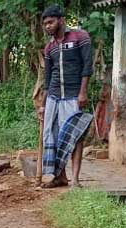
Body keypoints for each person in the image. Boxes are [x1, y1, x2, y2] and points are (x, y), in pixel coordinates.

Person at [38, 4, 94, 188]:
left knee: (74, 137)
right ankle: (60, 177)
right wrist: (43, 104)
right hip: (54, 96)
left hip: (73, 94)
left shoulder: (80, 36)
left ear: (61, 20)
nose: (47, 26)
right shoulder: (49, 48)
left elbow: (87, 66)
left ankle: (76, 179)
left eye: (50, 22)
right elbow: (47, 78)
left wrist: (83, 92)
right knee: (52, 136)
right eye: (45, 23)